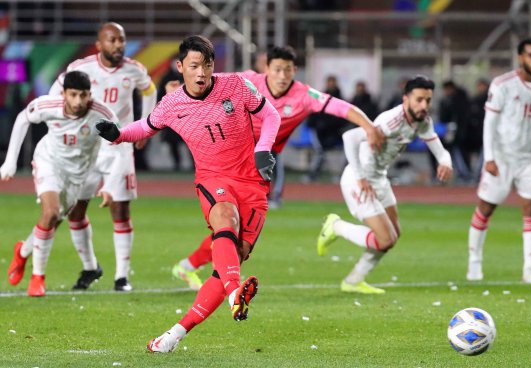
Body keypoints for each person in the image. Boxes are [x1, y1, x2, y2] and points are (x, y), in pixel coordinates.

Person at [95, 35, 281, 353]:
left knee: (231, 260)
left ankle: (173, 336)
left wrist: (263, 149)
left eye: (207, 65)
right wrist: (119, 134)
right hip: (213, 179)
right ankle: (235, 292)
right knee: (226, 218)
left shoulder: (236, 85)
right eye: (194, 66)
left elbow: (271, 116)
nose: (201, 73)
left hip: (252, 184)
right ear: (180, 67)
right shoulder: (172, 104)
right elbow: (146, 126)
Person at [170, 45, 384, 290]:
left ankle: (191, 268)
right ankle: (218, 282)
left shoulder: (304, 95)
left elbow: (340, 107)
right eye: (278, 69)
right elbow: (206, 81)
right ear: (266, 69)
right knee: (232, 225)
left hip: (259, 167)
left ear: (296, 71)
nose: (283, 76)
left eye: (289, 70)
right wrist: (178, 91)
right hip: (229, 161)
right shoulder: (248, 81)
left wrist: (369, 127)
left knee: (233, 227)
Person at [318, 76, 453, 294]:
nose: (424, 106)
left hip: (379, 179)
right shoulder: (391, 121)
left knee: (393, 235)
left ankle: (354, 280)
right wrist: (361, 177)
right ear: (405, 99)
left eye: (428, 100)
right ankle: (336, 227)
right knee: (385, 238)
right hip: (358, 180)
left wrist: (445, 162)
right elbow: (350, 138)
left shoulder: (422, 120)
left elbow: (440, 150)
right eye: (419, 100)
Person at [49, 22, 157, 291]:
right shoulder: (81, 67)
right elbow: (54, 94)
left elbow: (150, 90)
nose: (118, 45)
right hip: (86, 148)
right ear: (100, 44)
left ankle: (122, 277)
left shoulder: (134, 68)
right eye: (112, 40)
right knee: (75, 210)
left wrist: (144, 126)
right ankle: (90, 268)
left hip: (119, 146)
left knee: (120, 209)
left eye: (121, 40)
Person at [1, 71, 117, 297]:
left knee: (55, 219)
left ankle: (23, 251)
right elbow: (23, 118)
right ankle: (37, 278)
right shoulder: (48, 105)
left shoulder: (101, 113)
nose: (78, 101)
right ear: (63, 93)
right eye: (72, 95)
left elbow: (116, 142)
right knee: (51, 212)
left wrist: (109, 182)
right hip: (49, 163)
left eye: (83, 95)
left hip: (78, 175)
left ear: (89, 94)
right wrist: (10, 161)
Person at [466, 38, 531, 284]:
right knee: (486, 208)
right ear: (520, 57)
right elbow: (490, 123)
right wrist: (489, 157)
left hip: (530, 158)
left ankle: (529, 269)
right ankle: (474, 263)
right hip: (502, 156)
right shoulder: (503, 85)